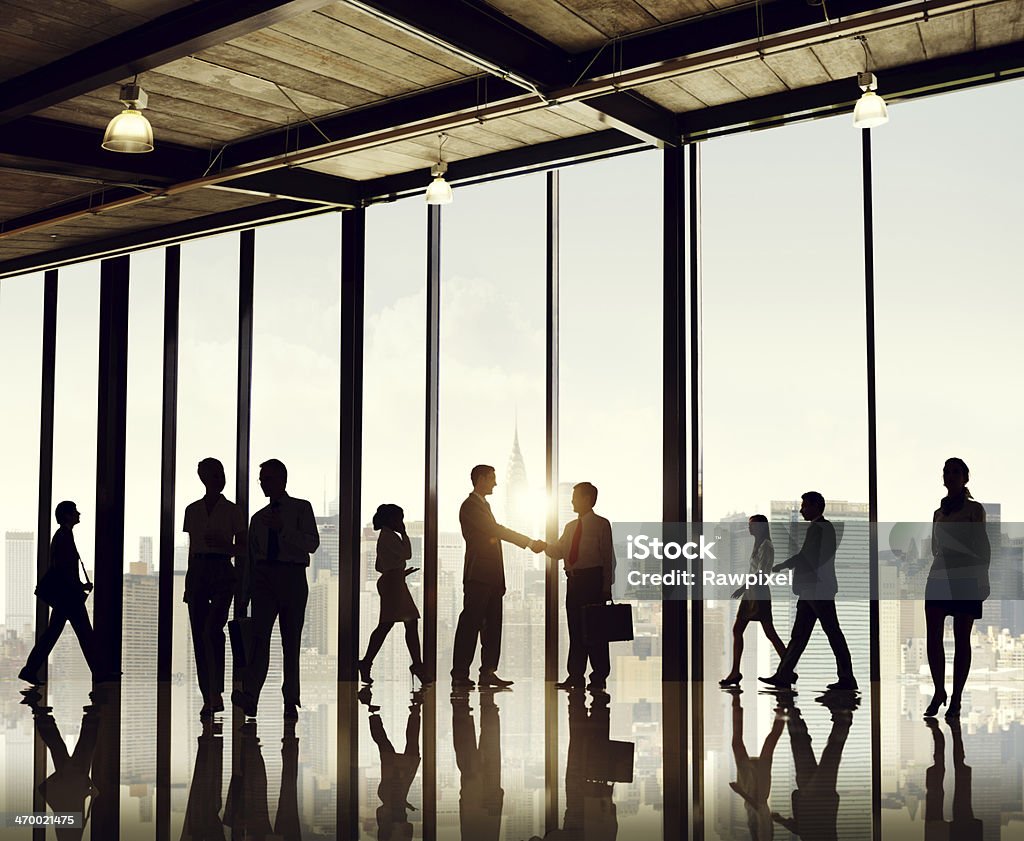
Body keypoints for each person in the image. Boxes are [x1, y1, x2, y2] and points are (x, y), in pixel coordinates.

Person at [233, 458, 319, 721]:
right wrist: (245, 592)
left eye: (267, 479)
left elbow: (312, 543)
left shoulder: (301, 509)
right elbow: (250, 557)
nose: (263, 484)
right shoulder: (257, 519)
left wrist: (284, 531)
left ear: (282, 479)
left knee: (291, 642)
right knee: (260, 640)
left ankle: (290, 700)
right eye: (261, 480)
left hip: (292, 575)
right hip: (264, 578)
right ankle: (252, 697)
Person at [451, 464, 545, 689]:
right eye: (492, 478)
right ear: (481, 479)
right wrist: (529, 542)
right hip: (478, 576)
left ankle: (488, 673)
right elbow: (495, 530)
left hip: (492, 577)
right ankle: (460, 674)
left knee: (493, 627)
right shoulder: (470, 506)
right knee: (470, 625)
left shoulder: (484, 505)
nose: (495, 482)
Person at [759, 492, 857, 692]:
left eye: (805, 506)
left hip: (817, 588)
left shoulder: (821, 528)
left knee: (831, 633)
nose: (802, 509)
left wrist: (783, 565)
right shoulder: (820, 527)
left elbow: (808, 556)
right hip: (811, 589)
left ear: (816, 506)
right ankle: (784, 675)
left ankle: (847, 678)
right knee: (800, 635)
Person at [923, 457, 990, 719]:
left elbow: (982, 546)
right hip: (940, 575)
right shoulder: (938, 513)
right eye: (946, 472)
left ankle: (956, 698)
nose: (949, 476)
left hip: (966, 577)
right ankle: (939, 691)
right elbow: (933, 549)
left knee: (962, 639)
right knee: (933, 637)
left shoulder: (975, 509)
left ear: (965, 478)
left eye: (955, 471)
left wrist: (982, 578)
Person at [182, 457, 246, 718]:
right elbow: (191, 549)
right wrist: (189, 581)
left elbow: (242, 549)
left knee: (211, 630)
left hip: (221, 569)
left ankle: (215, 692)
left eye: (220, 474)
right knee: (200, 634)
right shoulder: (192, 510)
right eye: (213, 475)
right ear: (204, 478)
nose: (218, 479)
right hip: (198, 570)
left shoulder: (233, 511)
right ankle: (209, 695)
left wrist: (223, 544)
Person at [20, 501, 101, 685]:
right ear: (67, 516)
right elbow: (63, 569)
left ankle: (30, 669)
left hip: (66, 597)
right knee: (85, 635)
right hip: (69, 597)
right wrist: (79, 587)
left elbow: (63, 569)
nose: (79, 514)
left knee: (54, 634)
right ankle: (99, 673)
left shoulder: (64, 535)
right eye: (75, 512)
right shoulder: (63, 536)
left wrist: (79, 585)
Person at [544, 482, 616, 691]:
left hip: (593, 581)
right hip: (574, 582)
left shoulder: (602, 524)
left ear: (587, 499)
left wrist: (606, 588)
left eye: (575, 496)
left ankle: (598, 676)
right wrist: (542, 546)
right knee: (575, 630)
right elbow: (559, 552)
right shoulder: (570, 527)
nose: (572, 500)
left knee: (596, 632)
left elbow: (607, 559)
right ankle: (575, 676)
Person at [359, 504, 430, 685]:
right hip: (394, 584)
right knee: (406, 623)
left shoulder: (384, 536)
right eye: (400, 519)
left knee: (389, 624)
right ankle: (416, 665)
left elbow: (378, 566)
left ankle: (367, 662)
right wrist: (405, 533)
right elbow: (407, 553)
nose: (401, 522)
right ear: (392, 519)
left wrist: (399, 572)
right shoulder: (390, 536)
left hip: (393, 581)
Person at [720, 515, 787, 687]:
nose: (749, 528)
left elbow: (762, 572)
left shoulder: (767, 546)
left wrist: (743, 587)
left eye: (752, 525)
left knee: (769, 632)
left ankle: (788, 669)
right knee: (739, 630)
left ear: (762, 527)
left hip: (758, 592)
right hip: (752, 591)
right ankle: (735, 672)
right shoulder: (758, 544)